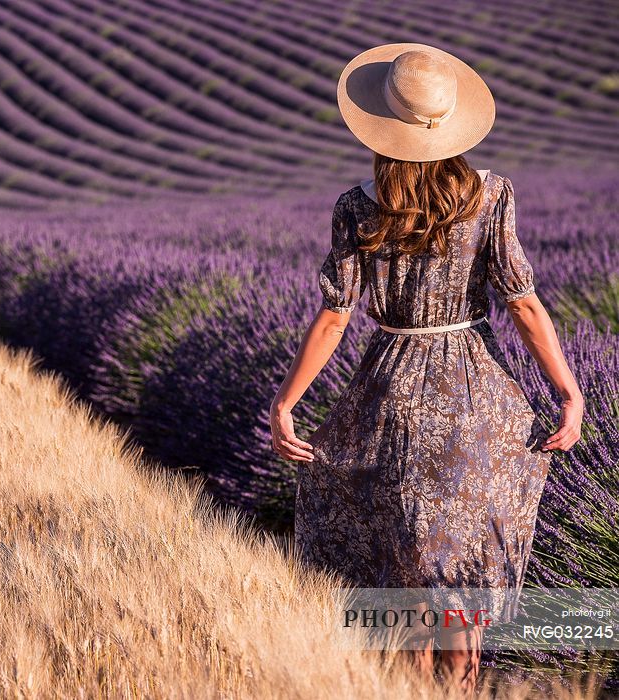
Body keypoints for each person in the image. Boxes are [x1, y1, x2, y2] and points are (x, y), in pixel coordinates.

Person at [268, 43, 584, 697]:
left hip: (392, 397)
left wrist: (287, 404)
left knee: (403, 567)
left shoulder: (357, 206)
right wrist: (568, 391)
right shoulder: (492, 195)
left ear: (381, 126)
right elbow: (523, 304)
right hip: (477, 393)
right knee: (464, 567)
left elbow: (335, 317)